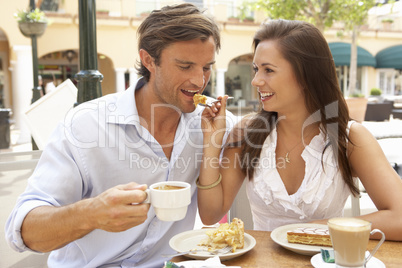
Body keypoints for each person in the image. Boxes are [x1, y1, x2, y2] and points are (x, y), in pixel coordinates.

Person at [5, 4, 236, 267]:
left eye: (207, 67)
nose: (199, 80)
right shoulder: (86, 125)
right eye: (185, 66)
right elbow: (22, 230)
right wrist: (91, 214)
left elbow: (267, 125)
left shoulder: (209, 123)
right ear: (149, 60)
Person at [198, 19, 402, 241]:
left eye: (268, 70)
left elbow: (399, 217)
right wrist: (212, 141)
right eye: (256, 69)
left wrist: (321, 228)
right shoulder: (248, 131)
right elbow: (210, 215)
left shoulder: (349, 137)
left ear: (306, 75)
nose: (256, 81)